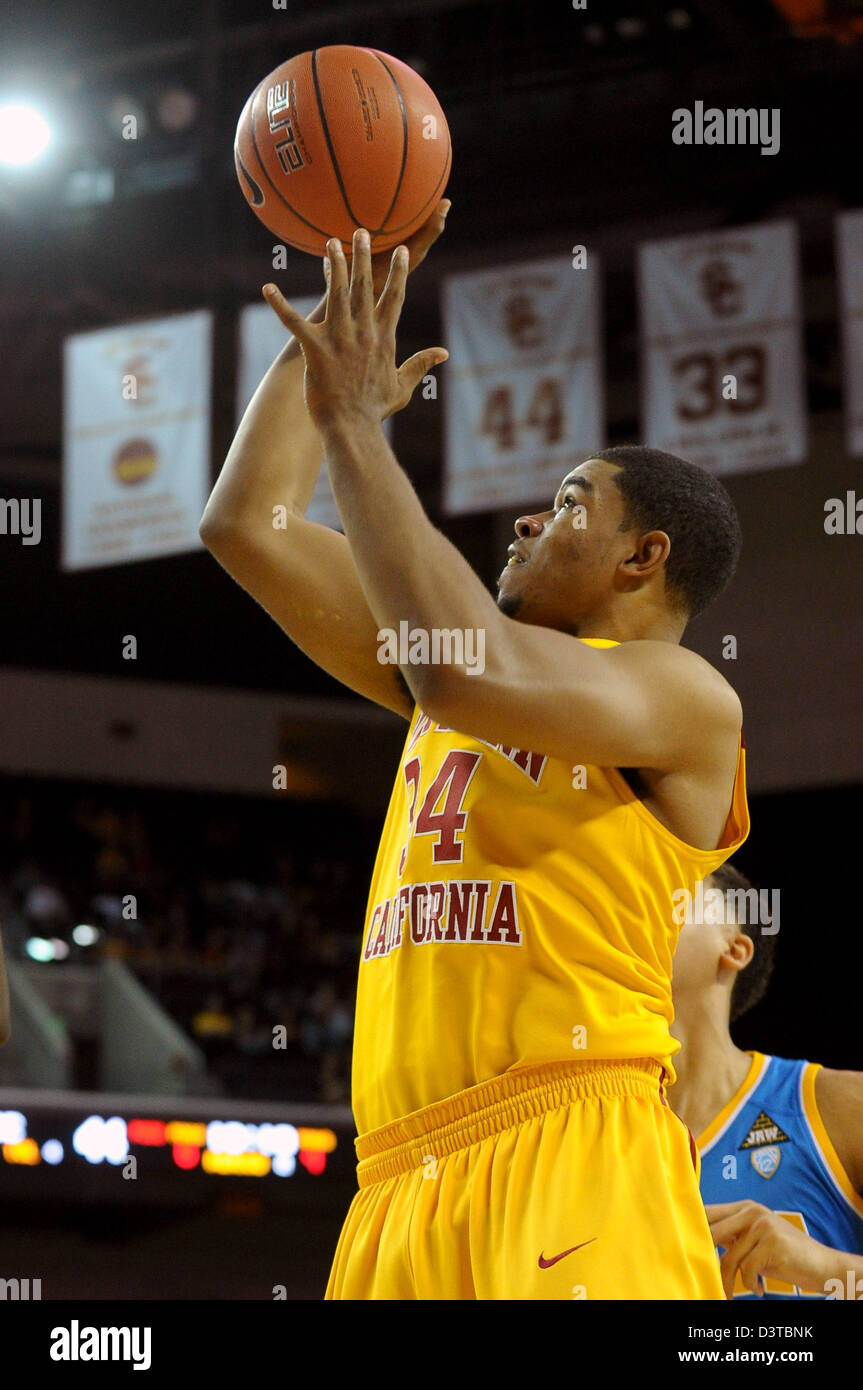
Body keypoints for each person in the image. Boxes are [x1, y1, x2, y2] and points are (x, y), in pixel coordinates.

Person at [199, 203, 748, 1299]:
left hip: (569, 1145)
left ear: (644, 556)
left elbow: (469, 667)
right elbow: (245, 524)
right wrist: (330, 355)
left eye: (565, 505)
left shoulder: (683, 697)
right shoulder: (443, 675)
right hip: (399, 1176)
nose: (526, 524)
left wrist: (360, 426)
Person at [670, 861, 863, 1299]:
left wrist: (830, 1269)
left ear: (734, 948)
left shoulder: (833, 1103)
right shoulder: (592, 1141)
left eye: (675, 893)